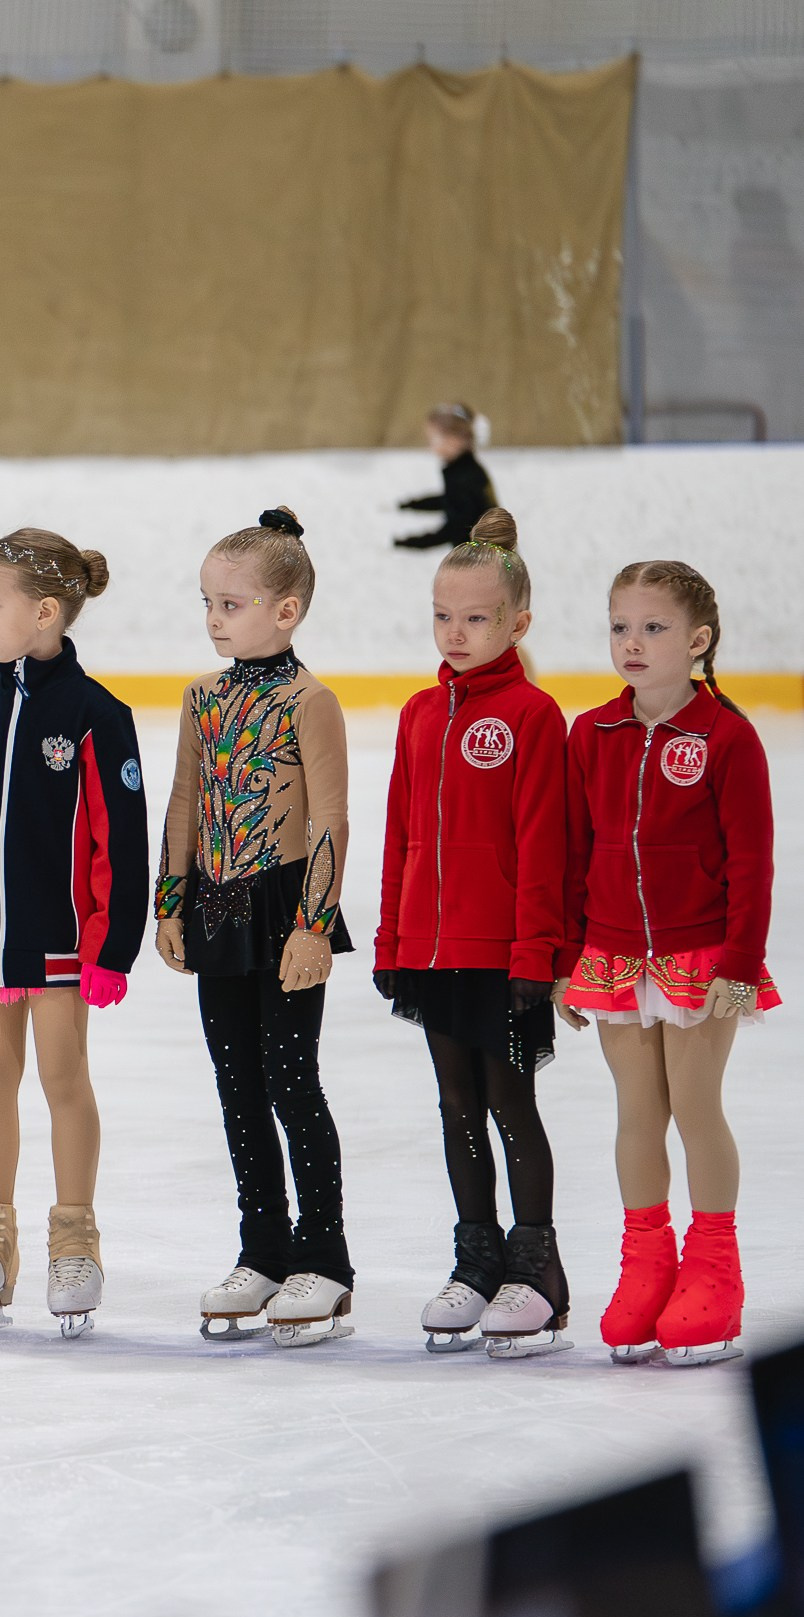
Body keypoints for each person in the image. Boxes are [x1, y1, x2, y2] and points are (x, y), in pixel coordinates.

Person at [0, 529, 149, 1339]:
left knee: (62, 1080)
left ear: (45, 611)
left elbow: (119, 843)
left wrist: (112, 944)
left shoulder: (95, 716)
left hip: (60, 945)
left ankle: (74, 1240)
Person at [559, 559, 778, 1368]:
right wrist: (567, 955)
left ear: (698, 640)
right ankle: (647, 1264)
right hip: (614, 953)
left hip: (702, 957)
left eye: (653, 628)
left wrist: (741, 964)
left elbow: (753, 862)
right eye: (620, 625)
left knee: (695, 1107)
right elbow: (576, 850)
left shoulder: (727, 737)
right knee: (636, 1115)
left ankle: (714, 1267)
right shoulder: (594, 733)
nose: (633, 642)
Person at [158, 508, 358, 1348]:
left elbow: (331, 820)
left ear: (286, 609)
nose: (214, 618)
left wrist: (313, 925)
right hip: (216, 905)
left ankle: (327, 1259)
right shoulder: (201, 698)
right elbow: (180, 800)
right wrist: (169, 900)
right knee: (236, 1084)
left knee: (290, 1079)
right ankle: (263, 1249)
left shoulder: (312, 700)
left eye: (231, 604)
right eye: (207, 602)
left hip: (284, 908)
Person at [372, 510, 570, 1356]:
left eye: (477, 618)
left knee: (510, 1101)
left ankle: (539, 1273)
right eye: (443, 616)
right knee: (455, 1105)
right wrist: (390, 940)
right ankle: (477, 1260)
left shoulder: (532, 715)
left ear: (518, 622)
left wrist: (535, 955)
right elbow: (401, 834)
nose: (457, 633)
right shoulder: (420, 713)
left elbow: (543, 845)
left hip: (505, 959)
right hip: (433, 952)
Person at [395, 404, 499, 552]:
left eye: (434, 439)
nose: (431, 446)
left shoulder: (464, 477)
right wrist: (410, 505)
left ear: (455, 440)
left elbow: (454, 528)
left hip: (485, 560)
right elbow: (451, 501)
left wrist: (408, 543)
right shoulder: (464, 469)